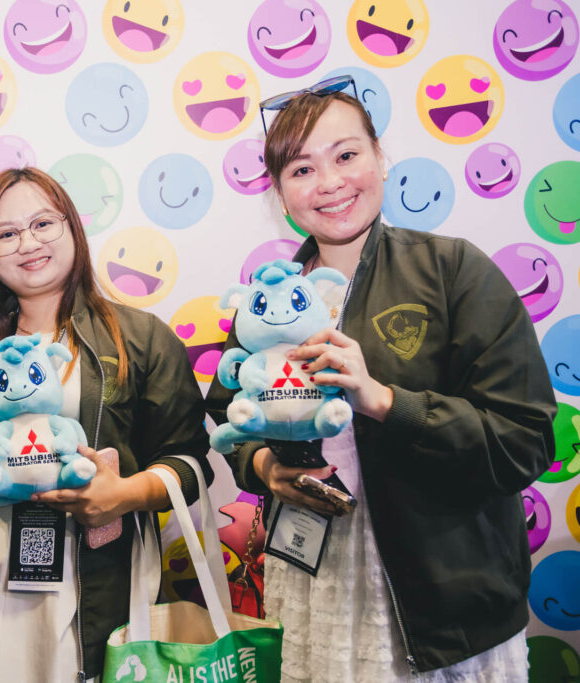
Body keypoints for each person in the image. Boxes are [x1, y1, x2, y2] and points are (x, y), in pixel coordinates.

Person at [207, 80, 557, 682]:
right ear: (280, 192)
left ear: (380, 156)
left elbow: (524, 441)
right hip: (314, 586)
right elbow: (228, 412)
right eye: (301, 169)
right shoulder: (269, 302)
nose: (329, 182)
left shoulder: (454, 271)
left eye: (346, 155)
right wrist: (264, 468)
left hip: (441, 607)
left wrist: (385, 401)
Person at [0, 167, 212, 681]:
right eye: (6, 233)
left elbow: (190, 463)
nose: (28, 243)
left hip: (104, 589)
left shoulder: (141, 339)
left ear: (72, 227)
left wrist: (123, 495)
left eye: (43, 224)